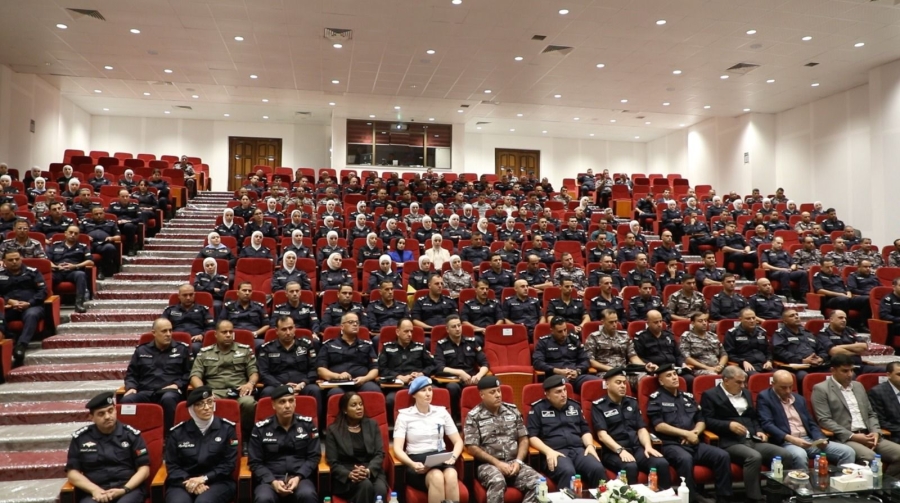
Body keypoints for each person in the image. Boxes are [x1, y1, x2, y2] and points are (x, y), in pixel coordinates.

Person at [700, 366, 795, 503]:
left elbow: (753, 418)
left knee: (784, 454)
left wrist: (759, 430)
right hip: (729, 441)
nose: (742, 385)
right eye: (738, 382)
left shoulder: (746, 393)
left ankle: (778, 495)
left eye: (744, 382)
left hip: (751, 439)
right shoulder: (710, 395)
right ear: (726, 380)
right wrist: (728, 425)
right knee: (753, 457)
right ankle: (754, 498)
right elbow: (707, 420)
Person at [647, 364, 733, 503]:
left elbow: (701, 420)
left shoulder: (687, 397)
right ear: (661, 381)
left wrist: (694, 433)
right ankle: (691, 498)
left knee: (722, 455)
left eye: (675, 374)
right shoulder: (656, 398)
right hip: (671, 444)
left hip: (694, 442)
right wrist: (686, 434)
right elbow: (659, 426)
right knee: (685, 459)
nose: (674, 377)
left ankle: (724, 497)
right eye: (669, 376)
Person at [811, 354, 900, 475]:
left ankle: (884, 485)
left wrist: (875, 432)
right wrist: (852, 436)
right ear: (833, 370)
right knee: (870, 457)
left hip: (868, 434)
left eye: (852, 370)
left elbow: (871, 414)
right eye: (845, 371)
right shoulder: (821, 389)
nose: (850, 374)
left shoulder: (858, 386)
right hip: (845, 438)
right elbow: (824, 420)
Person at [757, 369, 855, 470]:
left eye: (790, 387)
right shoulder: (765, 397)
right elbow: (767, 424)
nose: (788, 391)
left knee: (848, 452)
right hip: (786, 442)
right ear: (773, 384)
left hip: (809, 441)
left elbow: (811, 423)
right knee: (800, 455)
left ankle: (840, 479)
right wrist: (791, 439)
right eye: (783, 387)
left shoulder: (799, 399)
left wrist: (819, 438)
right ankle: (802, 481)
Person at [464, 376, 541, 503]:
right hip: (488, 465)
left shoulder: (512, 410)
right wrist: (497, 463)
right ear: (482, 395)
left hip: (514, 463)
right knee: (497, 482)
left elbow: (523, 438)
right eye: (492, 392)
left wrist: (518, 462)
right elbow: (472, 447)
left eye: (499, 391)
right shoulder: (474, 416)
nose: (498, 395)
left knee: (538, 483)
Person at [592, 367, 671, 490]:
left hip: (636, 448)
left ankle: (664, 496)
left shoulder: (632, 402)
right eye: (618, 383)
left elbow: (641, 428)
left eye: (624, 383)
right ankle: (632, 498)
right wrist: (620, 450)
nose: (623, 386)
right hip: (614, 451)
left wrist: (648, 446)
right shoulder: (599, 406)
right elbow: (602, 435)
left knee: (661, 463)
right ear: (607, 384)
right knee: (630, 467)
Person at [66, 392, 150, 503]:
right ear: (91, 417)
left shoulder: (131, 435)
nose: (107, 417)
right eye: (101, 414)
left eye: (110, 411)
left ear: (116, 410)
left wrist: (124, 489)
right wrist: (94, 490)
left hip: (127, 489)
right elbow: (72, 472)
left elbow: (144, 469)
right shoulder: (81, 438)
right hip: (95, 491)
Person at [393, 376, 464, 503]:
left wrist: (453, 457)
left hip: (440, 458)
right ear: (414, 394)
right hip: (417, 461)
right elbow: (397, 448)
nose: (428, 393)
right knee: (436, 476)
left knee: (451, 475)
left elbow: (458, 441)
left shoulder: (441, 412)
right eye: (423, 390)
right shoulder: (404, 416)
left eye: (430, 390)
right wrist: (412, 464)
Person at [527, 374, 606, 488]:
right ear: (547, 394)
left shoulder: (575, 406)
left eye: (564, 390)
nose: (563, 394)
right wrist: (548, 451)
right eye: (558, 392)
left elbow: (585, 430)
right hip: (555, 452)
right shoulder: (538, 409)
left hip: (578, 450)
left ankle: (599, 497)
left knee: (597, 468)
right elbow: (532, 436)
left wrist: (589, 445)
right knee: (568, 472)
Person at [164, 387, 239, 503]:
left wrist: (204, 478)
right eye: (200, 404)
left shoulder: (227, 429)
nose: (207, 407)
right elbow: (172, 466)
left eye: (210, 402)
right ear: (191, 409)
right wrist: (191, 482)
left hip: (218, 481)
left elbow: (229, 464)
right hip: (183, 482)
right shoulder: (177, 433)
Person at [248, 385, 319, 503]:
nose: (287, 406)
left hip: (300, 478)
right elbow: (255, 462)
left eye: (291, 401)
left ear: (295, 403)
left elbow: (314, 457)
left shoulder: (307, 425)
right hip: (270, 479)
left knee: (307, 495)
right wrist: (272, 481)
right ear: (273, 405)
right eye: (282, 402)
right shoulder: (261, 429)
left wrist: (298, 477)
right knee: (263, 498)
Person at [189, 320, 259, 433]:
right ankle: (212, 434)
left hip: (239, 391)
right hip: (214, 392)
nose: (228, 335)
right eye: (224, 332)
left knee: (248, 403)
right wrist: (204, 392)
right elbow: (195, 376)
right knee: (207, 403)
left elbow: (254, 372)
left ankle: (246, 436)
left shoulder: (244, 350)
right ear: (216, 334)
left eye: (231, 332)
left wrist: (250, 384)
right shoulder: (205, 353)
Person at [121, 318, 191, 430]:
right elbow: (131, 374)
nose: (168, 334)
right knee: (127, 400)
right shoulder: (141, 350)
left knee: (168, 399)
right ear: (154, 333)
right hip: (145, 391)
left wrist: (177, 385)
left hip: (169, 391)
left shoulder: (181, 349)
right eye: (164, 331)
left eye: (170, 330)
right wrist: (131, 387)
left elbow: (188, 373)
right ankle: (128, 435)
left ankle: (169, 436)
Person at [325, 392, 390, 503]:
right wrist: (349, 474)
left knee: (380, 489)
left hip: (371, 470)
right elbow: (333, 461)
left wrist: (368, 471)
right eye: (354, 405)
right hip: (347, 475)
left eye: (360, 404)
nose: (359, 407)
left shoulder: (372, 425)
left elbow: (379, 454)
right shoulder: (333, 430)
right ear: (345, 410)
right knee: (365, 485)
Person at [378, 319, 435, 415]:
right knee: (390, 400)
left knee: (437, 393)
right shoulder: (388, 348)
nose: (409, 334)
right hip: (397, 385)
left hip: (420, 384)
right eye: (406, 331)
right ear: (398, 332)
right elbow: (382, 369)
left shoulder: (420, 347)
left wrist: (422, 374)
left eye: (411, 331)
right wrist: (398, 376)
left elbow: (432, 365)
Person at [0, 249, 47, 365]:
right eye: (10, 260)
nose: (14, 262)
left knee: (32, 314)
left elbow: (43, 291)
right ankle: (10, 338)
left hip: (31, 306)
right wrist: (8, 301)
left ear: (21, 259)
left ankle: (21, 346)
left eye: (17, 259)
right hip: (8, 307)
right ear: (4, 261)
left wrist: (29, 303)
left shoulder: (33, 272)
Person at [316, 312, 380, 397]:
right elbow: (321, 370)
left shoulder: (367, 345)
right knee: (335, 394)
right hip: (338, 383)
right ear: (342, 326)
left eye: (357, 322)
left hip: (362, 382)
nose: (355, 324)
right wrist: (338, 376)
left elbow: (375, 369)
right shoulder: (329, 345)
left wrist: (365, 378)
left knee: (374, 390)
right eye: (351, 322)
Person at [533, 316, 597, 394]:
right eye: (560, 331)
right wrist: (557, 371)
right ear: (552, 331)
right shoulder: (544, 342)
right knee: (564, 384)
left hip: (575, 376)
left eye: (565, 330)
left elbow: (585, 360)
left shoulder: (574, 340)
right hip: (555, 376)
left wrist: (577, 371)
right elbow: (537, 362)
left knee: (598, 383)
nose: (563, 334)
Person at [635, 310, 693, 390]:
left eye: (661, 321)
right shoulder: (641, 338)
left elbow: (678, 355)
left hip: (672, 369)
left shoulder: (668, 335)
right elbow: (639, 358)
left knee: (690, 378)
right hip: (656, 370)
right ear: (648, 323)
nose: (659, 324)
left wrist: (682, 364)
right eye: (655, 322)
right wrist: (649, 365)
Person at [816, 310, 883, 374]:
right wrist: (855, 351)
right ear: (831, 319)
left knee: (884, 371)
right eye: (840, 318)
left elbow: (864, 347)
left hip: (858, 365)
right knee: (850, 375)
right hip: (841, 368)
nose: (844, 320)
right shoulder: (823, 333)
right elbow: (834, 352)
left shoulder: (850, 330)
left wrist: (839, 347)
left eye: (845, 318)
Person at [771, 310, 826, 385]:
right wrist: (802, 360)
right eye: (792, 316)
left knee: (833, 372)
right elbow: (779, 352)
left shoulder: (808, 333)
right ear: (785, 321)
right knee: (803, 376)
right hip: (797, 367)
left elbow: (822, 350)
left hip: (816, 365)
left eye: (797, 314)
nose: (796, 317)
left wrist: (821, 358)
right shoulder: (780, 334)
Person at [47, 224, 92, 313]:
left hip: (73, 271)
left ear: (78, 235)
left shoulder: (82, 246)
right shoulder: (56, 245)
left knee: (81, 274)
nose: (73, 235)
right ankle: (48, 304)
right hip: (58, 271)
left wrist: (75, 266)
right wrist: (55, 267)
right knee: (47, 277)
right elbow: (47, 260)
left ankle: (79, 304)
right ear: (65, 233)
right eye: (71, 232)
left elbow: (90, 261)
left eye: (76, 233)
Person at [163, 284, 215, 353]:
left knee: (194, 348)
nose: (188, 298)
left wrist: (202, 335)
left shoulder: (203, 310)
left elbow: (211, 327)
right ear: (179, 296)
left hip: (195, 341)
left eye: (191, 295)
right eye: (185, 295)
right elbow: (161, 326)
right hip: (175, 340)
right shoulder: (170, 310)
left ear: (194, 295)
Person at [723, 308, 772, 376]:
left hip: (764, 365)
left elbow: (768, 351)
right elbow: (729, 354)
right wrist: (742, 361)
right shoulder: (732, 333)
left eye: (753, 318)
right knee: (757, 378)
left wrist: (769, 361)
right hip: (745, 367)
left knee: (781, 375)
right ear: (740, 319)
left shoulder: (761, 332)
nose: (752, 321)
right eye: (748, 319)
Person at [81, 206, 121, 280]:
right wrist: (85, 237)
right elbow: (78, 234)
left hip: (103, 244)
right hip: (89, 244)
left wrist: (111, 238)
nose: (99, 215)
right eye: (96, 214)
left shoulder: (111, 223)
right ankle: (87, 273)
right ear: (92, 215)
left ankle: (103, 270)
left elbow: (118, 237)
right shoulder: (85, 222)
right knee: (82, 250)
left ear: (104, 214)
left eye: (101, 213)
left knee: (110, 248)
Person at [411, 274, 458, 339]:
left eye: (441, 284)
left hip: (447, 333)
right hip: (428, 333)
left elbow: (456, 318)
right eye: (437, 284)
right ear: (429, 285)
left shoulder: (450, 301)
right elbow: (415, 320)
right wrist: (431, 328)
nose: (440, 286)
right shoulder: (420, 302)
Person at [867, 362, 900, 440]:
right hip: (894, 435)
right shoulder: (877, 392)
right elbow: (880, 421)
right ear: (888, 375)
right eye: (899, 374)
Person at [107, 189, 141, 256]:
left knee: (128, 226)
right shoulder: (113, 205)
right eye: (123, 196)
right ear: (118, 197)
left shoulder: (135, 205)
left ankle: (131, 248)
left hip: (130, 226)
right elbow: (108, 217)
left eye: (127, 196)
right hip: (117, 225)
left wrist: (128, 221)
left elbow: (140, 218)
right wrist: (116, 221)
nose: (125, 198)